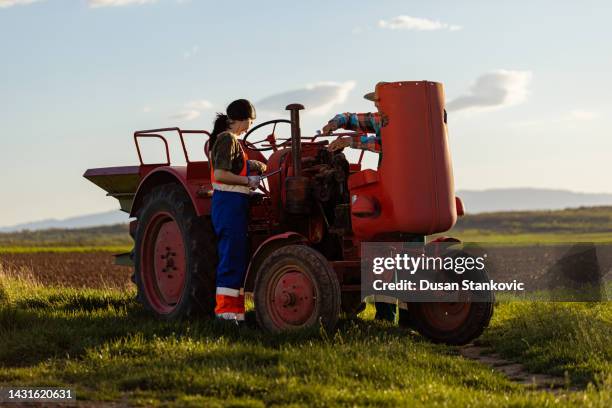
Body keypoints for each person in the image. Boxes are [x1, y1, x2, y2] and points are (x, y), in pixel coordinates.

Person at [320, 83, 397, 323]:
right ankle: (389, 313)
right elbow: (352, 118)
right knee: (385, 250)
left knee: (395, 249)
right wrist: (336, 123)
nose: (376, 105)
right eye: (375, 102)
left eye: (379, 101)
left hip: (399, 188)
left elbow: (381, 144)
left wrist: (348, 142)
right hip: (390, 185)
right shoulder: (378, 119)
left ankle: (395, 315)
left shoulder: (398, 125)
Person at [209, 99, 266, 322]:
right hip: (228, 202)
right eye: (250, 121)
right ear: (243, 119)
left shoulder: (231, 141)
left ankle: (236, 314)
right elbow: (221, 174)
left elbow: (231, 167)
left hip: (234, 203)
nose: (250, 126)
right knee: (231, 257)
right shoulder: (227, 139)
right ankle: (226, 316)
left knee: (236, 257)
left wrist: (253, 166)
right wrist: (247, 180)